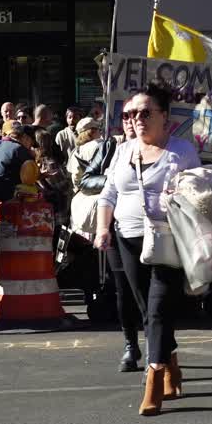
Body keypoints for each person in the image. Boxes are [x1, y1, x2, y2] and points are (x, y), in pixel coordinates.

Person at [94, 86, 202, 417]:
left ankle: (153, 379)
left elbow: (200, 192)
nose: (136, 120)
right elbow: (108, 194)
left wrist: (182, 193)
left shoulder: (181, 150)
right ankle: (171, 362)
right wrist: (102, 229)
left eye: (144, 113)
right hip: (127, 238)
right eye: (128, 115)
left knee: (157, 309)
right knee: (146, 308)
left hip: (168, 241)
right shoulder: (123, 150)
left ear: (164, 117)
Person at [75, 112, 143, 372]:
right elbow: (86, 179)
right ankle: (130, 344)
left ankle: (159, 349)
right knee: (123, 287)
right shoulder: (110, 147)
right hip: (116, 226)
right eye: (126, 116)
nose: (131, 121)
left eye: (138, 115)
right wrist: (114, 182)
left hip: (150, 230)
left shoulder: (163, 149)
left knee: (147, 289)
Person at [0, 121, 35, 227]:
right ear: (25, 138)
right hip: (8, 202)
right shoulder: (20, 150)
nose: (31, 146)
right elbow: (31, 177)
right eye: (31, 143)